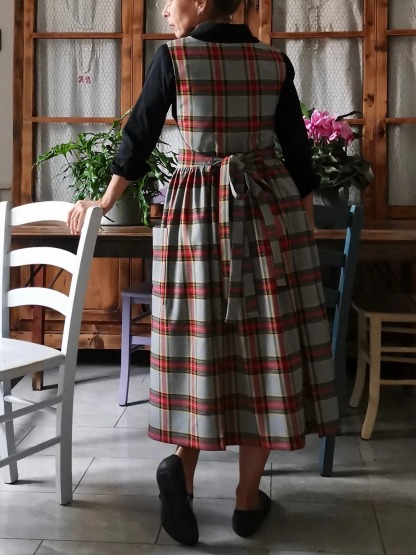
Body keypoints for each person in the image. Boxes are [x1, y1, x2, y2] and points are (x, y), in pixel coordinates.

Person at [68, 0, 340, 546]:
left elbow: (139, 135)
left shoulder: (173, 59)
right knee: (265, 347)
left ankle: (183, 479)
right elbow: (296, 149)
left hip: (196, 214)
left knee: (200, 343)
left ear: (198, 0)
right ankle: (246, 501)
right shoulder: (274, 62)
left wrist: (105, 199)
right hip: (268, 210)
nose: (165, 12)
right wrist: (303, 223)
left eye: (170, 1)